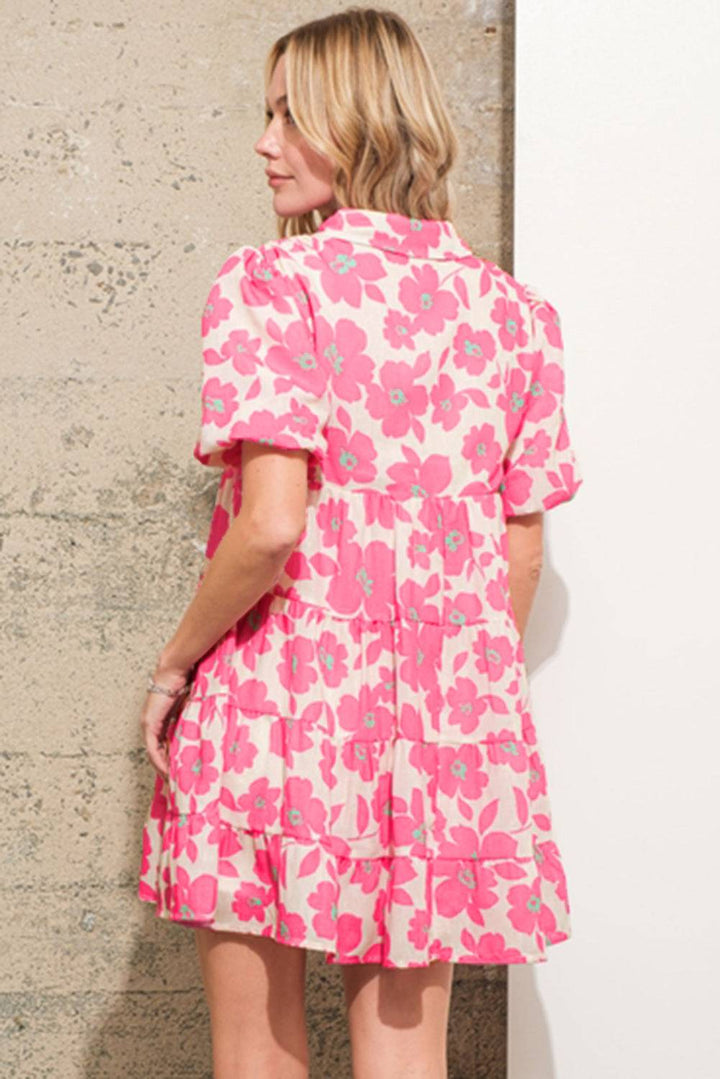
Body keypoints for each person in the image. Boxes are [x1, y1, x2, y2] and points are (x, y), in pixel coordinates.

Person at [136, 7, 584, 1077]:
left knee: (255, 1052)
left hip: (276, 702)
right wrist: (455, 701)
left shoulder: (269, 285)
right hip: (440, 729)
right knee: (404, 1060)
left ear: (361, 119)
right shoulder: (518, 316)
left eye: (290, 115)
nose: (264, 142)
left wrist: (174, 663)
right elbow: (517, 553)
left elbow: (273, 524)